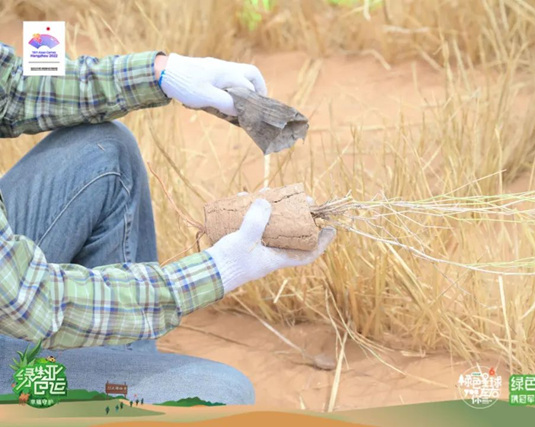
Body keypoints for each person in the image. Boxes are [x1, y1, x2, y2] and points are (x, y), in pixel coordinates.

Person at [0, 43, 335, 405]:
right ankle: (116, 399)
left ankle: (116, 378)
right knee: (220, 396)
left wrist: (161, 73)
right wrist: (216, 271)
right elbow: (34, 302)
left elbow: (12, 88)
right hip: (23, 298)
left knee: (107, 153)